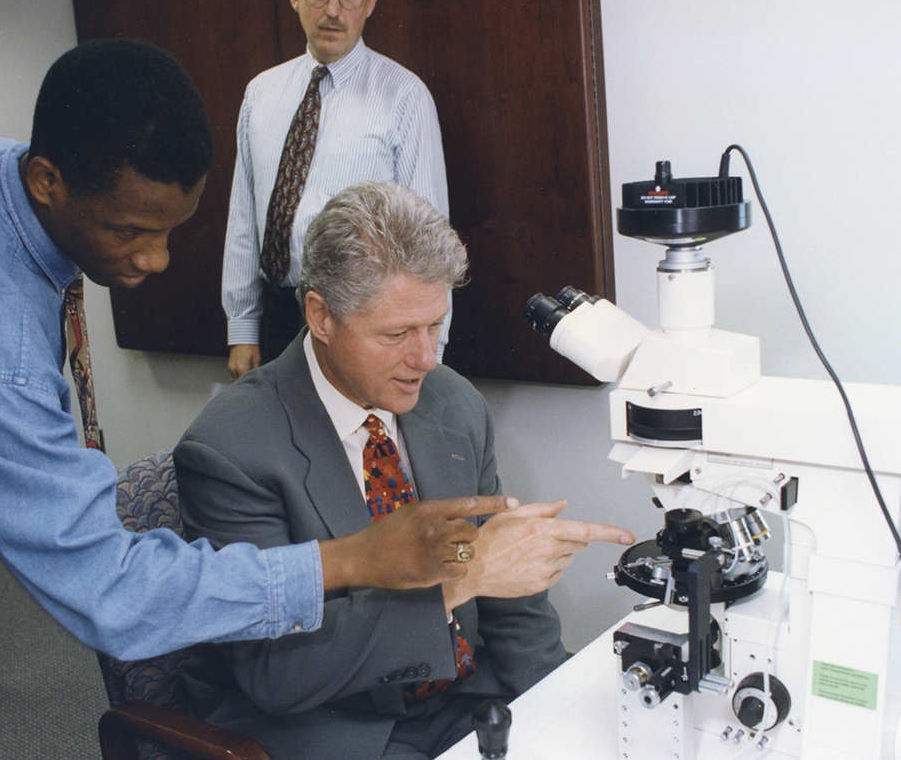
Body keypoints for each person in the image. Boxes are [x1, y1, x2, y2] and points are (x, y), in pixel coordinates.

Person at [0, 40, 514, 760]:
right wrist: (351, 561)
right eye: (129, 230)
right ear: (47, 179)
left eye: (172, 228)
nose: (155, 260)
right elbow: (110, 594)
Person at [176, 180, 636, 760]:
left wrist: (572, 708)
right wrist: (464, 579)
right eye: (395, 334)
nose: (425, 358)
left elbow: (502, 590)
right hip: (325, 723)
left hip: (459, 693)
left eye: (434, 326)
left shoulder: (454, 403)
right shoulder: (230, 448)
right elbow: (279, 674)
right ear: (320, 315)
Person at [223, 0, 450, 379]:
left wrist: (431, 349)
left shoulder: (404, 96)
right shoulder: (261, 93)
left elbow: (429, 243)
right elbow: (244, 215)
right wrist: (242, 329)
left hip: (362, 317)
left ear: (370, 0)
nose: (333, 9)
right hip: (278, 318)